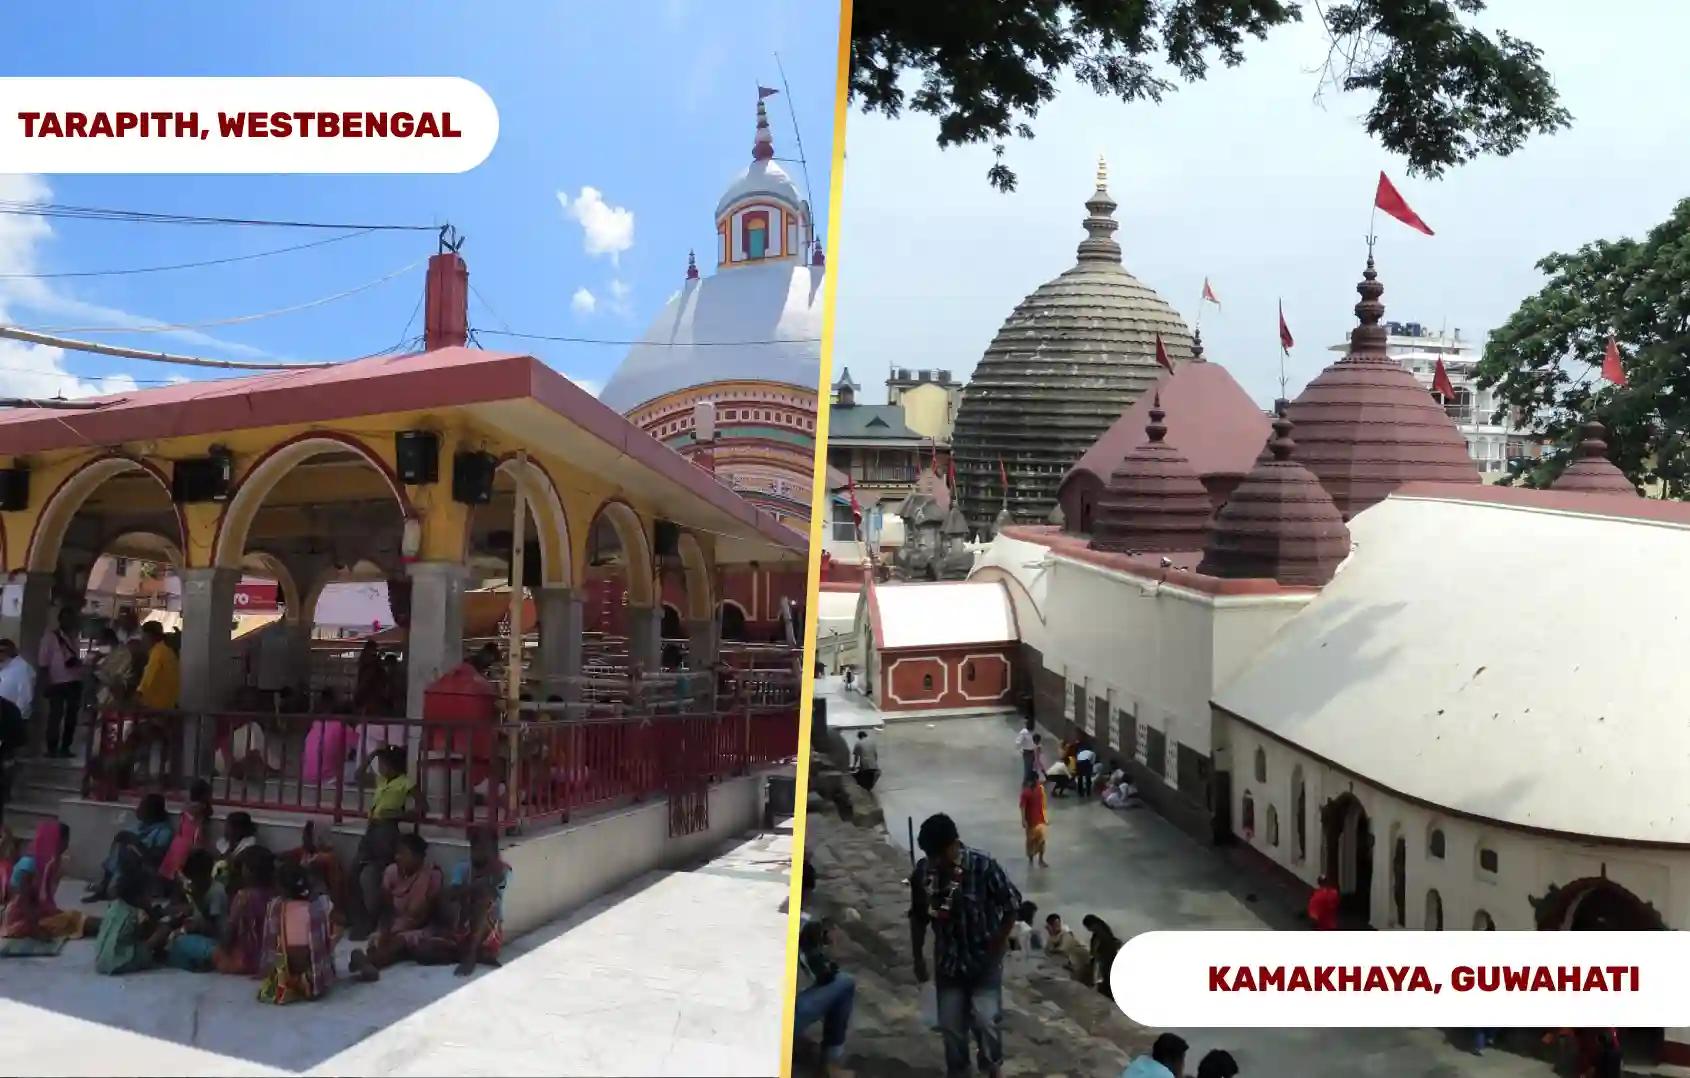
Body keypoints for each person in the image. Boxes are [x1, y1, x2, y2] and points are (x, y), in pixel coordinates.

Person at [910, 812, 1021, 1078]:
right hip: (948, 962)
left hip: (984, 960)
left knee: (985, 1020)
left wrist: (999, 940)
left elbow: (1011, 905)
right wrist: (918, 958)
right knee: (950, 1026)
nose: (935, 861)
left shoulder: (983, 866)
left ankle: (991, 1065)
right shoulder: (925, 873)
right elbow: (918, 917)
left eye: (938, 854)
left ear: (954, 845)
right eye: (929, 855)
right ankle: (959, 1071)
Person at [349, 745, 423, 939]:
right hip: (372, 828)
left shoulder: (405, 782)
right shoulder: (381, 780)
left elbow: (423, 806)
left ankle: (372, 919)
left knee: (374, 873)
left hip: (387, 830)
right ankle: (359, 918)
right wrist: (371, 754)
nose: (380, 767)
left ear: (393, 766)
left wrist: (398, 815)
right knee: (354, 871)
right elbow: (358, 776)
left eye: (382, 763)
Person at [348, 832, 442, 980]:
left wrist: (424, 876)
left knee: (399, 942)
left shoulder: (432, 875)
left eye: (404, 854)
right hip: (395, 923)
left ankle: (364, 961)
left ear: (418, 857)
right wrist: (384, 931)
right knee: (379, 942)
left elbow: (420, 915)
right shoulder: (391, 872)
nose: (398, 857)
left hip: (421, 928)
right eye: (397, 853)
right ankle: (367, 960)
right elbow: (386, 908)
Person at [1, 821, 96, 952]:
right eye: (64, 841)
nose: (66, 846)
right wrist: (37, 931)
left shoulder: (44, 863)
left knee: (73, 917)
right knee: (72, 920)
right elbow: (24, 904)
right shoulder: (28, 867)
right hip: (21, 921)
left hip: (36, 914)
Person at [433, 823, 510, 976]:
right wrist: (471, 888)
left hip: (487, 931)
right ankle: (474, 954)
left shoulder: (503, 870)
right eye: (477, 847)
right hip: (462, 926)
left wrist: (465, 889)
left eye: (485, 848)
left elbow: (487, 889)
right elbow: (449, 895)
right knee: (424, 953)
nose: (480, 852)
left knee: (483, 897)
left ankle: (472, 954)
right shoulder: (462, 868)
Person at [257, 860, 337, 1003]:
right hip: (309, 961)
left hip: (286, 964)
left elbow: (269, 941)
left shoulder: (274, 906)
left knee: (280, 943)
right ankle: (309, 978)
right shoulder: (320, 904)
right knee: (335, 931)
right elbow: (334, 925)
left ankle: (290, 979)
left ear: (281, 887)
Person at [793, 914, 856, 1078]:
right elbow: (823, 976)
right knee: (845, 983)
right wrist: (831, 954)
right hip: (780, 1020)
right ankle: (831, 1063)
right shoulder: (806, 925)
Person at [83, 792, 174, 902]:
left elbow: (155, 858)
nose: (138, 809)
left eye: (142, 806)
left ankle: (107, 888)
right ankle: (105, 885)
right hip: (127, 867)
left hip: (146, 870)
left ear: (152, 811)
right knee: (120, 843)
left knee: (126, 850)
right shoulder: (141, 826)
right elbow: (124, 840)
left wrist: (135, 843)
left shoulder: (164, 831)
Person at [213, 846, 277, 975]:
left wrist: (222, 949)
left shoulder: (243, 897)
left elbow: (230, 931)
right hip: (271, 957)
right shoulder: (277, 895)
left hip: (247, 960)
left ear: (250, 871)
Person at [160, 848, 227, 971]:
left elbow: (216, 928)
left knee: (179, 943)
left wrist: (194, 925)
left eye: (194, 878)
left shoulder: (216, 892)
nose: (192, 882)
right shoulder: (198, 889)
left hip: (215, 942)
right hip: (202, 936)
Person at [38, 606, 84, 759]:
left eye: (72, 618)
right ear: (60, 619)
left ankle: (66, 747)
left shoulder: (75, 637)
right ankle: (51, 747)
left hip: (75, 681)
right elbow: (43, 662)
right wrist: (45, 683)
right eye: (66, 618)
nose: (70, 621)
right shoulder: (50, 637)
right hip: (57, 681)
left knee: (72, 716)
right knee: (55, 716)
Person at [93, 870, 160, 975]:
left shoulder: (116, 905)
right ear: (139, 895)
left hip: (102, 957)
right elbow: (138, 934)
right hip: (117, 961)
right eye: (149, 893)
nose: (151, 898)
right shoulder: (135, 914)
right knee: (160, 934)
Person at [134, 621, 180, 711]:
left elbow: (147, 682)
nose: (142, 641)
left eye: (144, 637)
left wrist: (136, 697)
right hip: (169, 704)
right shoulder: (165, 651)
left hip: (158, 708)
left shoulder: (158, 653)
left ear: (150, 636)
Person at [1043, 913, 1092, 985]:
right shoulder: (1054, 937)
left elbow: (1062, 949)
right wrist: (1051, 935)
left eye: (1057, 923)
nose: (1056, 926)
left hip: (1083, 962)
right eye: (1053, 924)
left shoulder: (1066, 933)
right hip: (1073, 964)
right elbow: (1047, 952)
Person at [0, 639, 35, 738]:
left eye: (2, 651)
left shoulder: (23, 668)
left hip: (13, 716)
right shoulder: (4, 666)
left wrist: (18, 716)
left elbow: (26, 695)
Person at [1082, 914, 1122, 1001]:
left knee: (1108, 983)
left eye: (1088, 927)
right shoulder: (1103, 931)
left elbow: (1098, 951)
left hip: (1106, 962)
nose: (1088, 930)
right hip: (1107, 962)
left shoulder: (1101, 935)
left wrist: (1095, 958)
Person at [92, 628, 133, 710]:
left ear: (107, 639)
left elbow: (116, 676)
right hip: (109, 687)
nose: (98, 642)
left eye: (100, 638)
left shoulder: (122, 653)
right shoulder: (113, 652)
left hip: (117, 689)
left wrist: (97, 669)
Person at [1122, 1032, 1189, 1078]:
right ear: (1169, 1060)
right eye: (1182, 1060)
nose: (1182, 1065)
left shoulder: (1139, 1061)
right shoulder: (1165, 1075)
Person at [1018, 774, 1048, 869]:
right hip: (1030, 822)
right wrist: (1023, 820)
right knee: (1030, 842)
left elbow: (1043, 803)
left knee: (1042, 841)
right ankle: (1031, 859)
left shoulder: (1040, 788)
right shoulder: (1025, 793)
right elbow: (1023, 807)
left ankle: (1041, 860)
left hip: (1040, 820)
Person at [1013, 717, 1036, 782]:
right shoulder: (1024, 732)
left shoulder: (1033, 732)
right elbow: (1018, 742)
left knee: (1032, 767)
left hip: (1033, 751)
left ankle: (1031, 780)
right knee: (1028, 768)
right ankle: (1026, 782)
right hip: (1027, 752)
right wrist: (1020, 749)